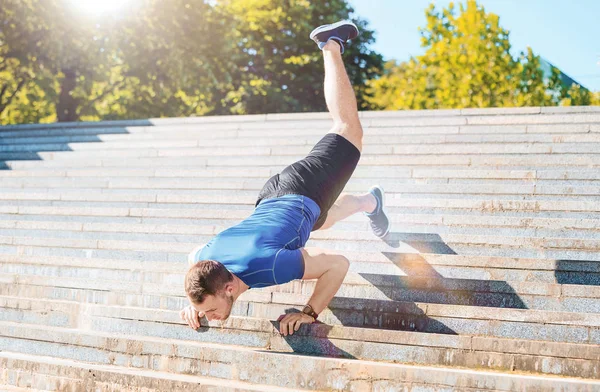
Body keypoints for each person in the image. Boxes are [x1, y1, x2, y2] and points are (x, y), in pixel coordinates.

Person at [180, 20, 390, 337]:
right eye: (204, 311)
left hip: (303, 189)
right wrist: (194, 305)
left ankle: (330, 45)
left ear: (227, 287)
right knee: (320, 220)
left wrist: (309, 313)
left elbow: (338, 264)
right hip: (274, 200)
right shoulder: (208, 261)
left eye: (209, 310)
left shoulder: (273, 266)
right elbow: (193, 256)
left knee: (347, 129)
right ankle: (371, 202)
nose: (210, 317)